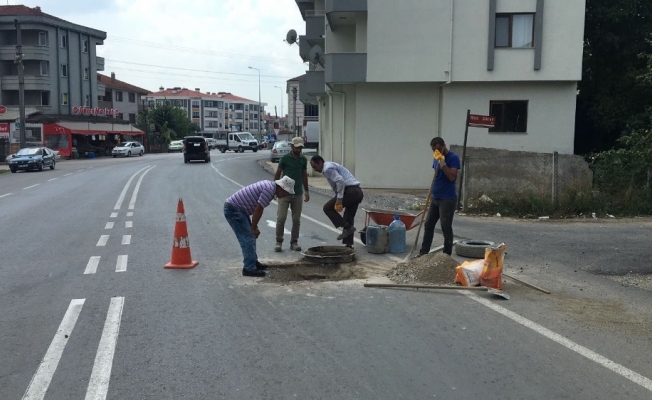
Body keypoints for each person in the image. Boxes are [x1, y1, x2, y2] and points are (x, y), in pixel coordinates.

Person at [224, 176, 295, 277]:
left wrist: (254, 227)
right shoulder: (269, 190)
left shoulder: (269, 187)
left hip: (238, 210)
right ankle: (249, 268)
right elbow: (258, 209)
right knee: (248, 238)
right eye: (286, 193)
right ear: (281, 188)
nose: (285, 196)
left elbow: (257, 209)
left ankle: (253, 262)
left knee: (250, 237)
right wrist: (253, 228)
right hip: (234, 210)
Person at [418, 137, 461, 257]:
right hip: (435, 198)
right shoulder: (435, 157)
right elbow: (436, 177)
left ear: (443, 146)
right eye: (433, 150)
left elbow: (452, 177)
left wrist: (443, 163)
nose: (435, 151)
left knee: (445, 226)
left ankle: (446, 256)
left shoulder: (453, 158)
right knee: (428, 224)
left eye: (437, 149)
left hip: (447, 199)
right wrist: (431, 193)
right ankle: (424, 253)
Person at [309, 155, 363, 248]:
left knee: (327, 208)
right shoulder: (330, 166)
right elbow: (338, 183)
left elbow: (340, 181)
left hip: (350, 191)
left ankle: (347, 227)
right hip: (357, 192)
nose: (315, 169)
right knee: (348, 217)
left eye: (315, 167)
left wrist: (339, 198)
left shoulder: (327, 168)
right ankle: (349, 245)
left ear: (320, 163)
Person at [273, 136, 310, 252]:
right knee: (281, 218)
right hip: (284, 193)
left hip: (297, 193)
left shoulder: (303, 160)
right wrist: (275, 189)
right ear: (292, 147)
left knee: (296, 220)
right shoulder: (284, 159)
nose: (299, 150)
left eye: (301, 148)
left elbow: (304, 175)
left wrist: (307, 191)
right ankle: (279, 241)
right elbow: (277, 174)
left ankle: (294, 242)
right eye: (297, 147)